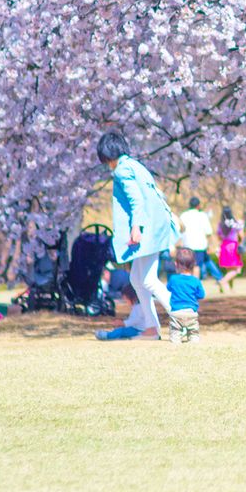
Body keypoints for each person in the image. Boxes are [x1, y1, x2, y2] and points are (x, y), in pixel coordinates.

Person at [93, 131, 179, 341]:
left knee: (148, 280)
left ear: (107, 156)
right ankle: (151, 327)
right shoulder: (135, 165)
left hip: (147, 229)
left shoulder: (122, 170)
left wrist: (136, 227)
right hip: (155, 227)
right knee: (137, 279)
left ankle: (182, 317)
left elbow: (136, 201)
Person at [178, 198, 223, 283]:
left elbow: (180, 230)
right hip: (200, 245)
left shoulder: (183, 215)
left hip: (187, 245)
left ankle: (219, 278)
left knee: (191, 265)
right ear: (198, 206)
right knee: (197, 266)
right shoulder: (202, 215)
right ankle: (197, 283)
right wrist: (210, 245)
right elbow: (208, 232)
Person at [166, 248, 205, 342]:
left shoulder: (173, 279)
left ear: (176, 264)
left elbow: (168, 288)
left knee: (175, 332)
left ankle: (176, 340)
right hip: (191, 313)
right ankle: (194, 340)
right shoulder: (195, 280)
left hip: (176, 313)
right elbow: (201, 295)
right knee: (193, 332)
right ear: (193, 265)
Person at [216, 208, 244, 291]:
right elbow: (241, 235)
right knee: (237, 269)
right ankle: (223, 281)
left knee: (230, 269)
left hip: (224, 246)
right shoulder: (235, 223)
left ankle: (231, 289)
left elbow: (219, 236)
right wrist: (240, 243)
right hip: (233, 246)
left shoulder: (221, 224)